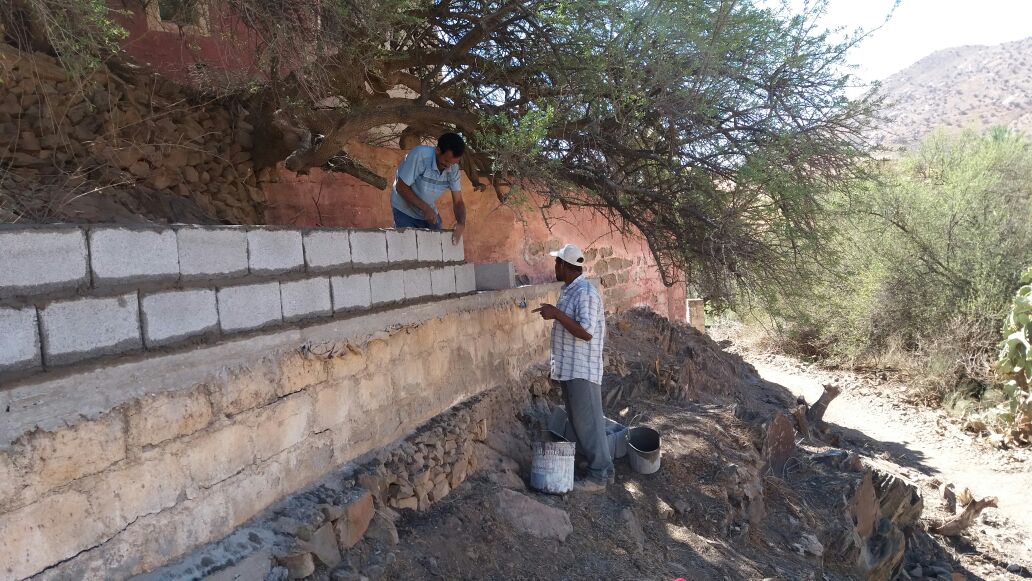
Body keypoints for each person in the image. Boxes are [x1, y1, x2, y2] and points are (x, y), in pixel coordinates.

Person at [533, 243, 613, 492]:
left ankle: (599, 475)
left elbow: (586, 332)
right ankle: (600, 469)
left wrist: (556, 314)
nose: (554, 267)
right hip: (570, 368)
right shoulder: (570, 290)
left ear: (565, 266)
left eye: (556, 263)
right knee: (580, 421)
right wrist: (555, 312)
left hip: (582, 369)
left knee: (589, 423)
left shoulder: (585, 293)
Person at [390, 132, 467, 244]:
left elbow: (458, 201)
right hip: (404, 209)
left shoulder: (453, 168)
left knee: (436, 246)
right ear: (438, 150)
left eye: (453, 163)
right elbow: (401, 187)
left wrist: (461, 223)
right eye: (446, 161)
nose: (448, 167)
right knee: (408, 247)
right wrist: (425, 208)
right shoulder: (420, 155)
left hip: (427, 211)